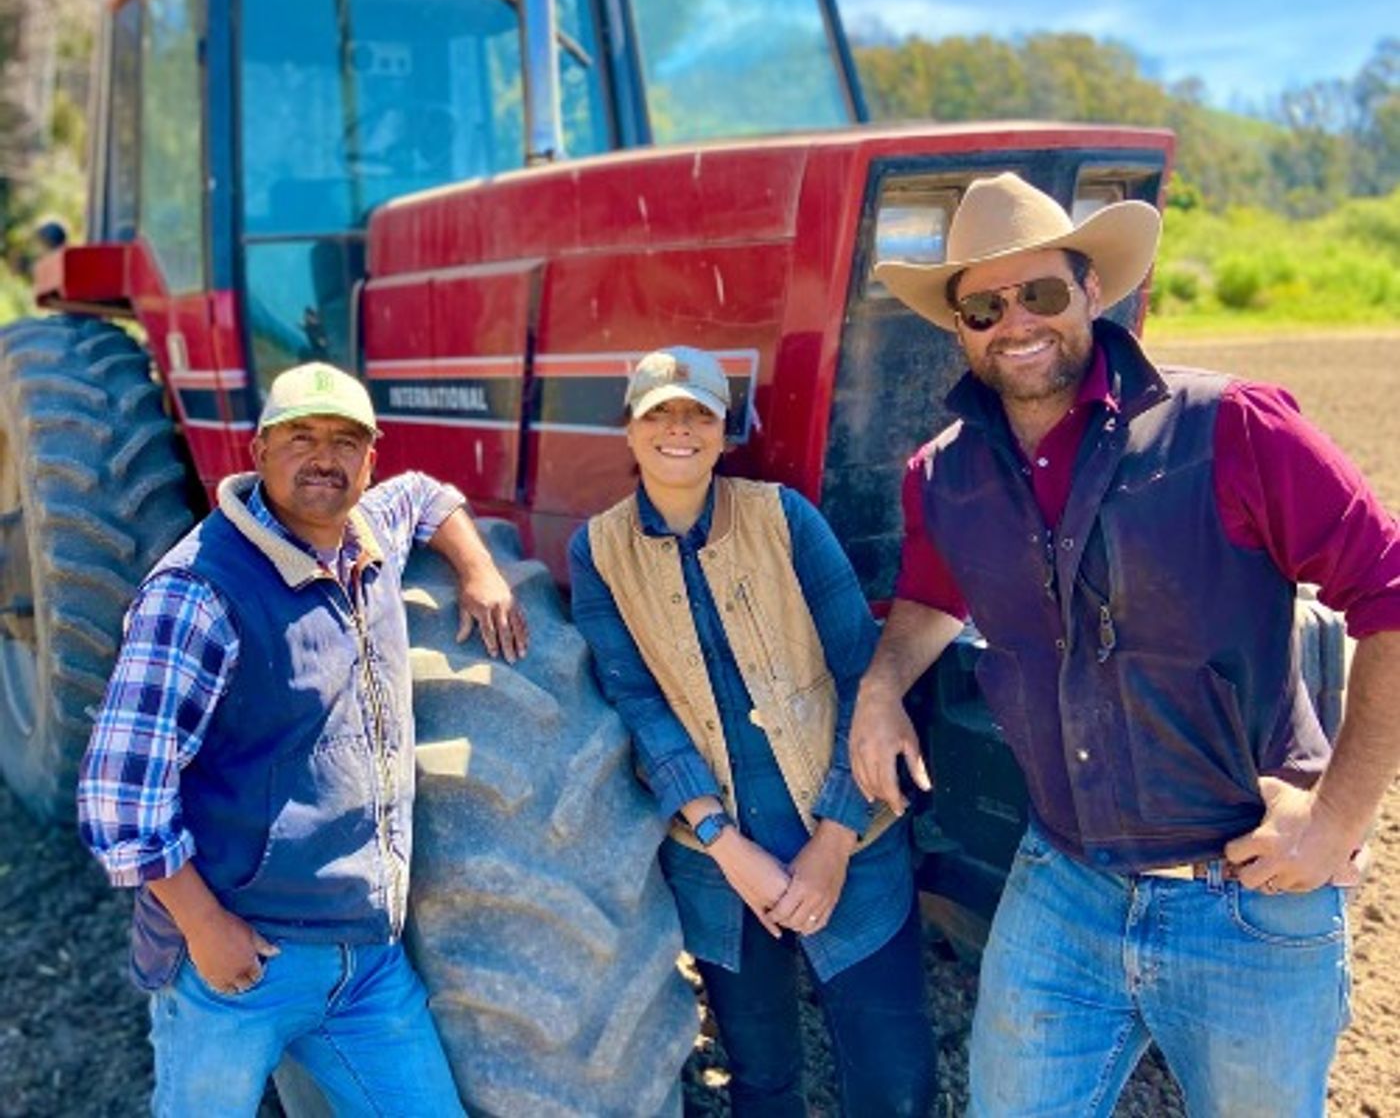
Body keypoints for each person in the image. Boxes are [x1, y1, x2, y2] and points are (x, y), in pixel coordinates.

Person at [849, 170, 1400, 1116]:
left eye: (1042, 292)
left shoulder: (1230, 427)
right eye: (984, 304)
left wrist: (1338, 817)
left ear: (1093, 292)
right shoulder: (942, 476)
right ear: (958, 326)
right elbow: (930, 597)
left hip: (1246, 898)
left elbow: (1389, 592)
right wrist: (881, 686)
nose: (1014, 320)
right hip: (1062, 887)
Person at [78, 361, 527, 1117]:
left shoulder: (366, 532)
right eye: (302, 438)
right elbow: (118, 797)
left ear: (368, 460)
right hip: (244, 962)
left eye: (347, 441)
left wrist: (480, 570)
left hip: (369, 967)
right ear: (258, 453)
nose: (326, 457)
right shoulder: (198, 592)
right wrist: (203, 925)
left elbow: (424, 494)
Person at [569, 346, 934, 1117]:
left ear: (724, 431)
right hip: (718, 866)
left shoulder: (784, 518)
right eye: (657, 414)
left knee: (893, 1081)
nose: (678, 429)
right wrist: (725, 846)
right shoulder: (597, 550)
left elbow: (862, 680)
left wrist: (835, 842)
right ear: (629, 431)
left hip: (853, 843)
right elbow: (637, 703)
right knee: (764, 1080)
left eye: (697, 414)